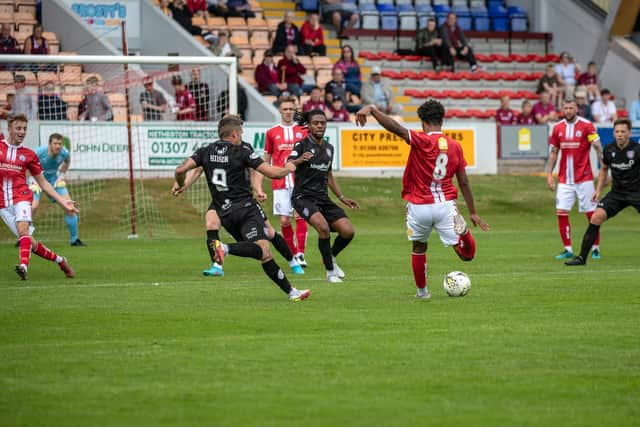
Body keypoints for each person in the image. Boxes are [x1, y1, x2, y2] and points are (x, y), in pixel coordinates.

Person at [355, 99, 489, 299]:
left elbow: (396, 128)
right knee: (466, 255)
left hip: (419, 206)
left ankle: (422, 293)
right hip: (445, 205)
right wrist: (473, 212)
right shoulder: (455, 146)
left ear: (423, 122)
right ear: (441, 121)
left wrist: (373, 110)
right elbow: (464, 182)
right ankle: (465, 234)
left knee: (418, 248)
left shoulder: (422, 140)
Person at [173, 115, 310, 301]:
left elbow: (180, 170)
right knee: (263, 249)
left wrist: (180, 184)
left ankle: (292, 292)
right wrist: (289, 167)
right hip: (245, 209)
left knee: (263, 252)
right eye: (241, 133)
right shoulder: (243, 151)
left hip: (226, 214)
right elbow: (272, 173)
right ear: (234, 134)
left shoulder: (205, 151)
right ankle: (225, 249)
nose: (241, 136)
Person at [285, 110, 359, 283]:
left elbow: (329, 175)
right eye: (316, 123)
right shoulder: (301, 145)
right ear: (309, 126)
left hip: (322, 198)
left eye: (323, 123)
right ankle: (330, 272)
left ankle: (331, 257)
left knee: (348, 231)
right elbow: (288, 164)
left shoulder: (329, 148)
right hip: (303, 197)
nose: (320, 126)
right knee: (323, 228)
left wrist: (341, 197)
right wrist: (299, 160)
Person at [0, 114, 77, 280]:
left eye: (24, 129)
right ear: (9, 128)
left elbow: (43, 183)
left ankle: (23, 267)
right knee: (29, 241)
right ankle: (61, 260)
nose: (22, 132)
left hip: (22, 196)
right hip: (3, 204)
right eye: (18, 128)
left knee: (23, 230)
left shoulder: (29, 154)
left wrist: (63, 202)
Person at [566, 118, 640, 266]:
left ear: (629, 133)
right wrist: (598, 190)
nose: (619, 134)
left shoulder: (637, 149)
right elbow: (604, 170)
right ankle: (581, 258)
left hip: (636, 192)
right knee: (596, 217)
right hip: (617, 194)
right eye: (617, 131)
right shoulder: (609, 149)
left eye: (623, 132)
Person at [256, 95, 310, 267]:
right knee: (285, 221)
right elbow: (266, 160)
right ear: (279, 110)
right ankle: (293, 254)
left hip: (300, 181)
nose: (288, 112)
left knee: (300, 216)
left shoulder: (303, 131)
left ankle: (301, 254)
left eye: (291, 109)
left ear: (295, 110)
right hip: (279, 182)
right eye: (285, 109)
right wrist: (259, 185)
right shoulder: (272, 133)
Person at [546, 99, 603, 260]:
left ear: (577, 109)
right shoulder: (558, 128)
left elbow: (598, 147)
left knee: (593, 215)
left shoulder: (587, 125)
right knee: (561, 213)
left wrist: (604, 170)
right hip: (565, 179)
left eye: (571, 108)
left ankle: (596, 248)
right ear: (563, 109)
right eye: (566, 108)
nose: (569, 110)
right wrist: (550, 174)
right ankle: (568, 249)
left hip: (585, 178)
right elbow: (554, 153)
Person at [30, 133, 85, 246]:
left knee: (69, 207)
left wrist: (61, 176)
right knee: (32, 207)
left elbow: (67, 161)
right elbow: (26, 165)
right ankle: (24, 238)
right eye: (55, 143)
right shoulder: (38, 152)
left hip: (53, 181)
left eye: (60, 143)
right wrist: (32, 179)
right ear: (50, 144)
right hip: (36, 180)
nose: (58, 146)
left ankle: (74, 240)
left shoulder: (64, 153)